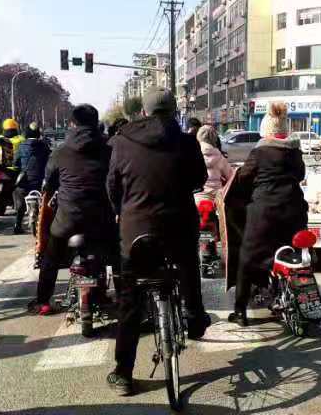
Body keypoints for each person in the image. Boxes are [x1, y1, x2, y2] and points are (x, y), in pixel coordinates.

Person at [107, 87, 210, 395]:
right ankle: (194, 318)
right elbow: (200, 179)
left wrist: (121, 209)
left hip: (136, 230)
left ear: (144, 112)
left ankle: (123, 374)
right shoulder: (187, 141)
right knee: (188, 264)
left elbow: (112, 186)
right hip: (179, 226)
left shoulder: (122, 141)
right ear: (174, 111)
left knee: (130, 299)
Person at [30, 105, 117, 315]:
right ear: (96, 123)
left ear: (72, 124)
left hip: (68, 218)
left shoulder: (60, 151)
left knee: (50, 257)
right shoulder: (109, 149)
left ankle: (43, 301)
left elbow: (49, 184)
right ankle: (125, 298)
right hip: (101, 218)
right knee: (117, 255)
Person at [229, 102, 308, 327]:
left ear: (266, 130)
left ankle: (240, 311)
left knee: (247, 258)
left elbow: (243, 178)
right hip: (295, 212)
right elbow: (300, 175)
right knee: (296, 255)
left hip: (265, 213)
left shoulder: (260, 152)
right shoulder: (294, 152)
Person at [12, 125, 51, 234]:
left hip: (25, 182)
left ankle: (17, 225)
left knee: (18, 196)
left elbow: (15, 163)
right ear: (38, 134)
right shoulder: (44, 146)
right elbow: (50, 162)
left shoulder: (21, 146)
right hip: (40, 181)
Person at [195, 124, 233, 202]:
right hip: (216, 196)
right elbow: (230, 176)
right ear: (214, 138)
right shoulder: (219, 156)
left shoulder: (193, 154)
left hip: (198, 195)